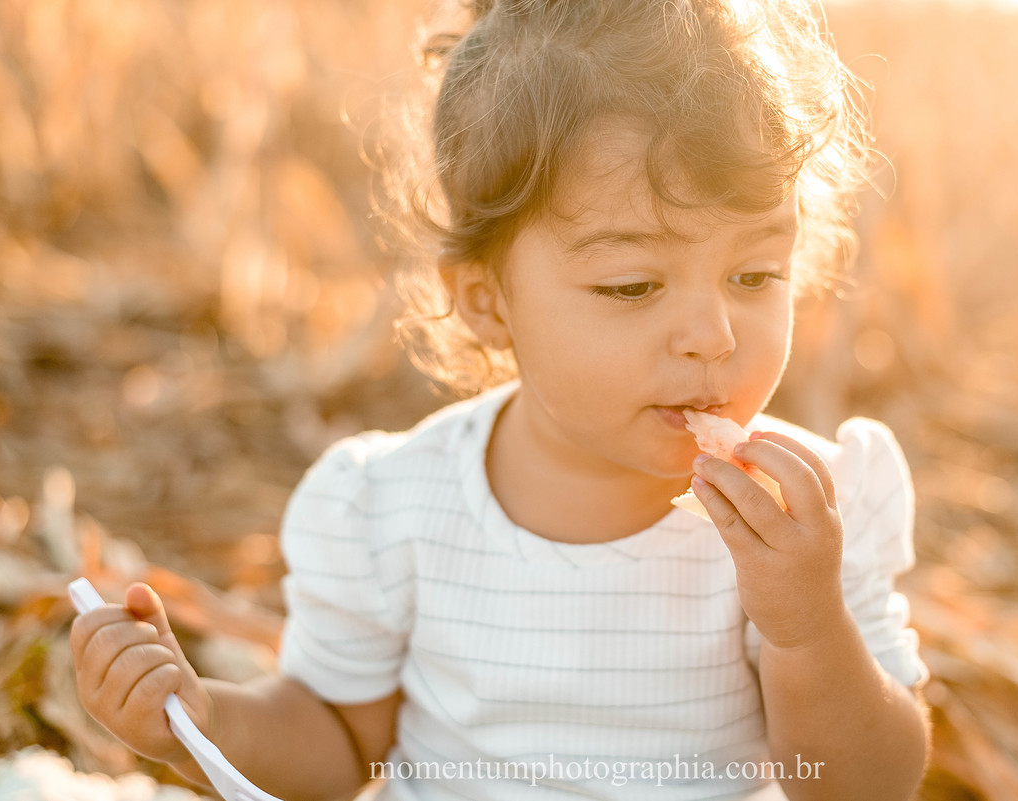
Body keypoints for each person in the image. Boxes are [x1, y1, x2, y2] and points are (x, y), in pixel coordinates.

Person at [71, 1, 931, 799]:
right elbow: (337, 741)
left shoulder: (810, 514)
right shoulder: (395, 508)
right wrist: (200, 719)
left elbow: (869, 786)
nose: (713, 335)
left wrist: (806, 628)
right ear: (488, 301)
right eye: (633, 285)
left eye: (755, 274)